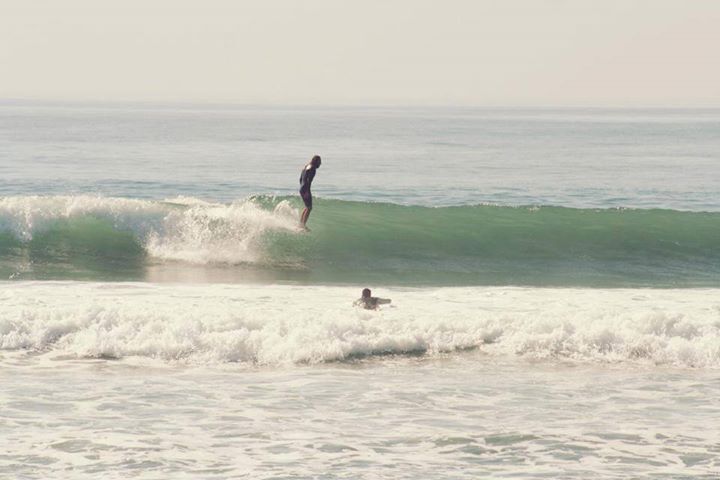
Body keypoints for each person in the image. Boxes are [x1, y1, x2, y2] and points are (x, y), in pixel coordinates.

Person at [299, 155, 321, 228]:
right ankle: (303, 225)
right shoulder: (313, 168)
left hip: (302, 188)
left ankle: (301, 224)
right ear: (316, 161)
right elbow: (308, 180)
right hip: (306, 189)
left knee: (307, 207)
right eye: (319, 162)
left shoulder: (306, 166)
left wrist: (302, 187)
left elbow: (300, 179)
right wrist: (307, 189)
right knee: (309, 208)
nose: (320, 164)